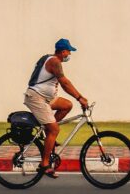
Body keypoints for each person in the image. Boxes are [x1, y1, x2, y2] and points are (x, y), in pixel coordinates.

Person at [24, 38, 88, 179]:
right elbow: (65, 83)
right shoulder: (55, 62)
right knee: (54, 129)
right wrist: (80, 98)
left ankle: (48, 132)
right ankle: (44, 165)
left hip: (45, 98)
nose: (69, 54)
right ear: (63, 51)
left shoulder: (49, 59)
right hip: (36, 98)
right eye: (69, 51)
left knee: (67, 105)